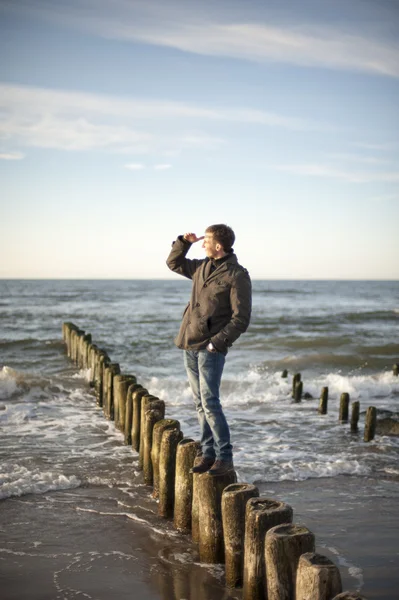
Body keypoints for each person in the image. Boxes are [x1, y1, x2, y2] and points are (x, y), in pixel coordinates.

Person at [166, 224, 252, 476]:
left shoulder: (237, 275)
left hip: (210, 348)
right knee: (200, 404)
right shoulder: (201, 266)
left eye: (206, 240)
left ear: (218, 246)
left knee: (211, 403)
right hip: (189, 342)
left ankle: (225, 458)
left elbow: (241, 318)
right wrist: (184, 241)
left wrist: (217, 343)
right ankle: (208, 453)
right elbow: (173, 262)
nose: (202, 243)